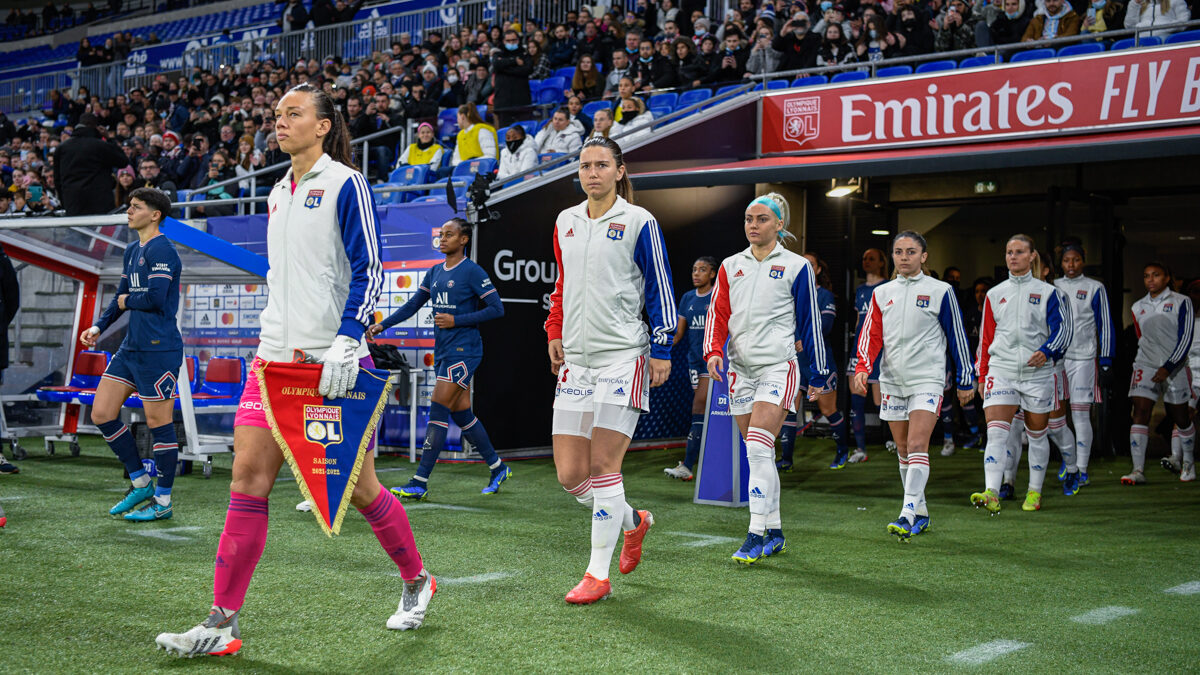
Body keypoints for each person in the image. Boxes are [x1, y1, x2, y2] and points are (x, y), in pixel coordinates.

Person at [155, 84, 434, 657]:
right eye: (276, 114)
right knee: (246, 480)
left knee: (360, 489)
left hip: (333, 364)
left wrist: (347, 340)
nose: (278, 123)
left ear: (324, 125)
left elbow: (370, 268)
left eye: (292, 114)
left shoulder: (345, 182)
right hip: (272, 359)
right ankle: (221, 622)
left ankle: (416, 580)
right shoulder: (278, 188)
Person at [545, 136, 675, 604]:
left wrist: (662, 348)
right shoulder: (566, 221)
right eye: (585, 166)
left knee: (603, 468)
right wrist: (554, 329)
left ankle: (597, 574)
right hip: (577, 364)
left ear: (620, 171)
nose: (592, 173)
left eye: (602, 165)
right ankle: (632, 521)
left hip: (623, 358)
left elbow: (661, 287)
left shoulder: (640, 221)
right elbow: (561, 285)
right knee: (569, 475)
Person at [704, 193, 828, 565]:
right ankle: (774, 530)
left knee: (758, 448)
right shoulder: (730, 265)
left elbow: (811, 322)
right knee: (759, 453)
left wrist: (819, 372)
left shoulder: (796, 267)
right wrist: (713, 351)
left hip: (778, 366)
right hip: (739, 369)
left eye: (761, 219)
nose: (753, 225)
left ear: (779, 224)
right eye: (747, 218)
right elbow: (719, 312)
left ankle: (755, 534)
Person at [370, 219, 512, 499]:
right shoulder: (435, 271)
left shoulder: (472, 271)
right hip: (444, 351)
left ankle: (419, 482)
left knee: (437, 409)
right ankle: (497, 467)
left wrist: (456, 320)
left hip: (465, 352)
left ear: (464, 240)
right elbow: (412, 304)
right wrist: (382, 325)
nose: (443, 239)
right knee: (462, 414)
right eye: (441, 235)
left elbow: (497, 309)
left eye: (449, 235)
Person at [80, 188, 182, 522]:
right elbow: (120, 296)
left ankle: (163, 501)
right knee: (102, 413)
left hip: (158, 351)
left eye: (136, 207)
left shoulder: (163, 249)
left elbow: (154, 297)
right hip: (130, 349)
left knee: (158, 424)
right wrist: (98, 326)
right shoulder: (131, 250)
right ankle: (140, 482)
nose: (129, 211)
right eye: (128, 206)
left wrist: (126, 302)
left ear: (155, 215)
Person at [970, 234, 1073, 514]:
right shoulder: (994, 294)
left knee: (1037, 433)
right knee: (996, 433)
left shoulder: (1051, 293)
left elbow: (1064, 331)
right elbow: (985, 340)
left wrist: (1048, 350)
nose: (1012, 257)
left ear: (1032, 256)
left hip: (1037, 373)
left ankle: (1034, 491)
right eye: (1008, 252)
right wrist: (981, 376)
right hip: (1001, 370)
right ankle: (992, 491)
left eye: (1018, 252)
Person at [1124, 262, 1194, 484]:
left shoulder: (1182, 302)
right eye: (1146, 276)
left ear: (1166, 278)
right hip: (1145, 365)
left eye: (1156, 275)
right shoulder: (1137, 307)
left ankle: (1188, 463)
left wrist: (1169, 366)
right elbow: (1140, 336)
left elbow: (1186, 338)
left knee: (1181, 417)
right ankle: (1137, 470)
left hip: (1175, 367)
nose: (1150, 280)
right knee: (1140, 411)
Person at [777, 252, 848, 471]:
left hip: (819, 362)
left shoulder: (824, 295)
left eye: (811, 264)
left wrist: (804, 341)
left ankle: (842, 452)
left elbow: (825, 327)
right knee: (789, 407)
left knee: (828, 410)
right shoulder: (788, 294)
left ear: (817, 270)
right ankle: (786, 460)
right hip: (793, 361)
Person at [1052, 245, 1114, 488]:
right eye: (1067, 260)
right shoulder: (1052, 286)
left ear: (1083, 262)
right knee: (1052, 418)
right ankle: (1070, 457)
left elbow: (1105, 326)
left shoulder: (1095, 288)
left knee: (1079, 414)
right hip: (1056, 359)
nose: (1071, 264)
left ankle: (1082, 468)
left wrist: (1106, 360)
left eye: (1076, 260)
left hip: (1084, 359)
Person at [665, 256, 719, 481]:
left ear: (712, 274)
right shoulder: (687, 298)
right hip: (693, 362)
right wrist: (657, 349)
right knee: (704, 413)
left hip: (713, 362)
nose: (696, 273)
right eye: (694, 269)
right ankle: (710, 464)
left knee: (698, 407)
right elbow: (678, 334)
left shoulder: (719, 296)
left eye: (702, 270)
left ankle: (687, 465)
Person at [849, 248, 890, 463]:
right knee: (857, 400)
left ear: (881, 263)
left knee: (881, 401)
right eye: (864, 258)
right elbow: (858, 320)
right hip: (859, 349)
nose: (866, 262)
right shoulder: (860, 290)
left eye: (871, 258)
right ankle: (860, 449)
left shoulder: (887, 287)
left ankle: (895, 439)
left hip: (880, 350)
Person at [54, 112, 129, 216]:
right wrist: (109, 138)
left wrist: (65, 203)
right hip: (100, 204)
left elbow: (57, 180)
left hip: (73, 204)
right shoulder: (101, 146)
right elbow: (123, 161)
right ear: (96, 126)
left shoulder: (62, 148)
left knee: (76, 232)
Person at [492, 29, 534, 127]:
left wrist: (505, 68)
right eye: (508, 41)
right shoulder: (498, 54)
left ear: (518, 41)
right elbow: (497, 65)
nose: (511, 43)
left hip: (522, 101)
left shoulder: (524, 54)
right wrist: (514, 61)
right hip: (503, 103)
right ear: (503, 41)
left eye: (514, 40)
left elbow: (527, 70)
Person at [1123, 0, 1189, 38]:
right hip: (1141, 43)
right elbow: (1130, 26)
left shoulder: (1176, 1)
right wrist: (1135, 4)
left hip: (1166, 41)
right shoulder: (1137, 3)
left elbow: (1184, 22)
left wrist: (1162, 27)